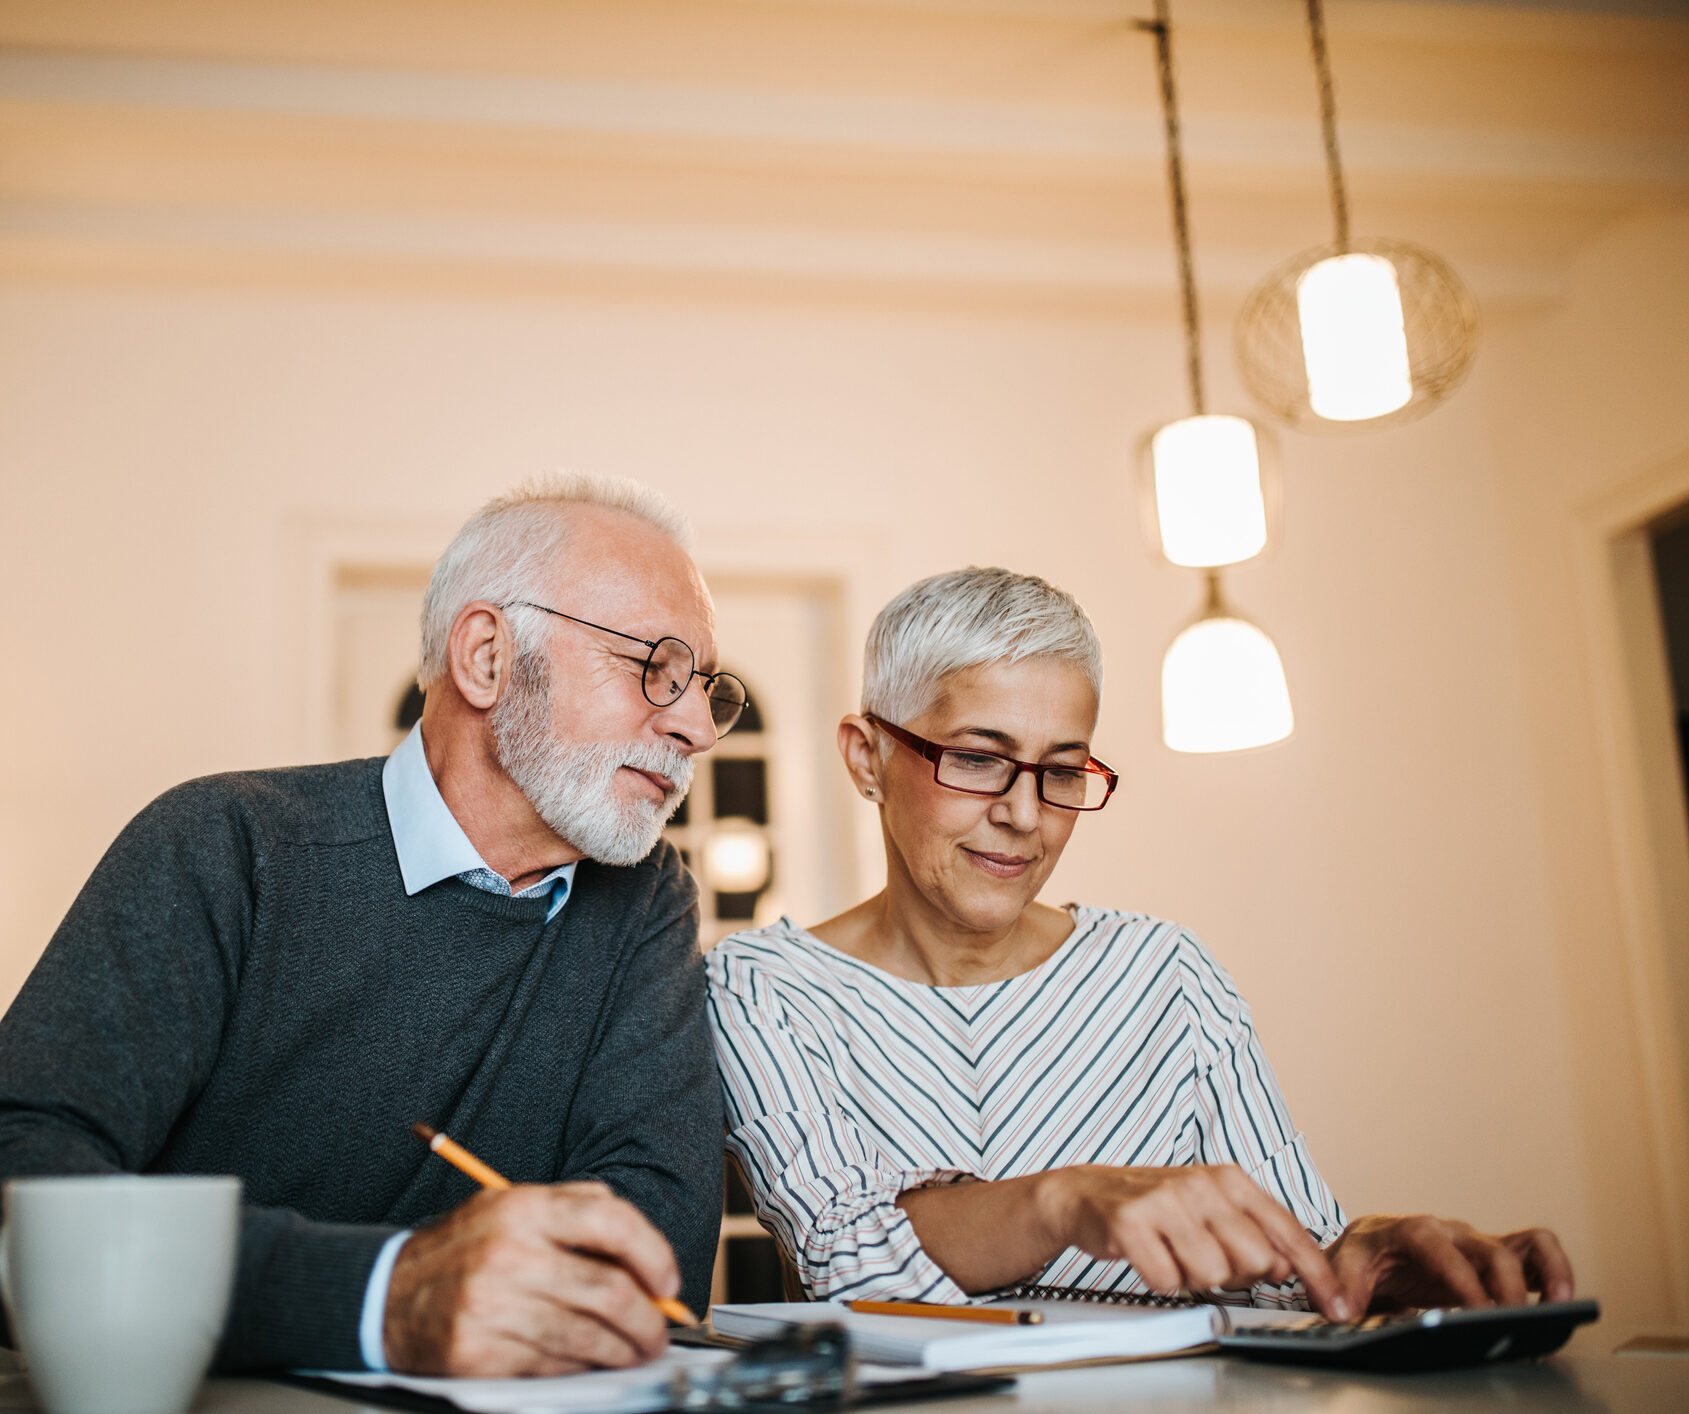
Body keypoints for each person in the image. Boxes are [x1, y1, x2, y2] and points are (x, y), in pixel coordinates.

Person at [0, 475, 743, 1375]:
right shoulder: (226, 845)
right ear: (487, 658)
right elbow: (24, 1170)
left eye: (706, 686)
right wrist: (379, 1294)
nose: (699, 727)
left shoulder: (643, 897)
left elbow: (649, 1261)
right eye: (657, 668)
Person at [708, 567, 1574, 1319]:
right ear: (866, 759)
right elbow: (851, 1265)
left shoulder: (1167, 974)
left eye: (1061, 770)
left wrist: (1374, 1258)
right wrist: (1064, 1200)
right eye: (977, 758)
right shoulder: (760, 989)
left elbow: (1285, 1271)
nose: (1022, 813)